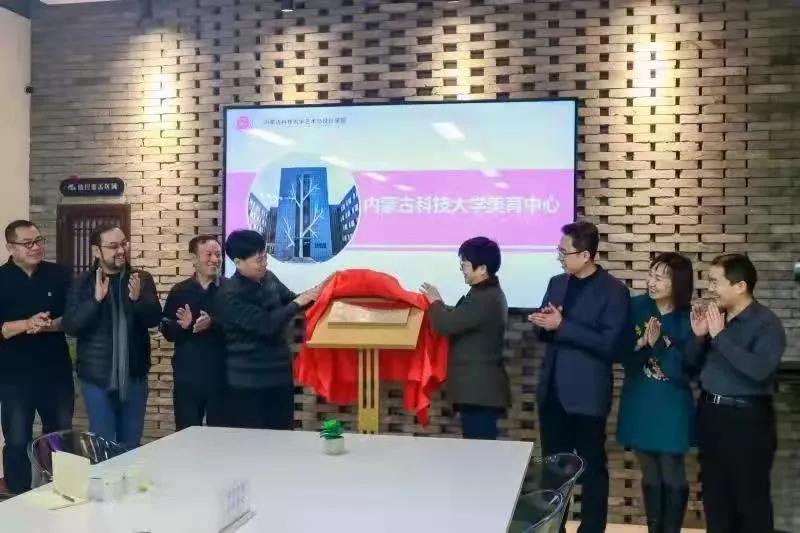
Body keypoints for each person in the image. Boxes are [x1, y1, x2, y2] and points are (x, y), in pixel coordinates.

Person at [527, 221, 629, 533]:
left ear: (585, 255)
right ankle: (553, 527)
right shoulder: (557, 282)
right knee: (553, 469)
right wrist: (542, 324)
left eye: (564, 252)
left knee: (592, 468)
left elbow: (611, 346)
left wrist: (563, 326)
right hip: (552, 392)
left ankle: (592, 528)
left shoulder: (614, 291)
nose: (559, 257)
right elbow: (546, 331)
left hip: (587, 395)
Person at [688, 254, 785, 533]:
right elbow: (690, 368)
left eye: (715, 282)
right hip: (711, 417)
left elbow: (759, 371)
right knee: (715, 501)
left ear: (740, 286)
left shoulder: (767, 324)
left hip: (747, 423)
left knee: (750, 502)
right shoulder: (717, 319)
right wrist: (699, 336)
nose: (710, 289)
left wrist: (720, 337)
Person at [617, 253, 697, 533]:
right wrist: (640, 344)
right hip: (639, 400)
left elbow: (686, 371)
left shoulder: (690, 318)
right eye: (650, 275)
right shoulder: (636, 307)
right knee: (649, 472)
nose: (651, 282)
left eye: (660, 278)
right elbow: (622, 355)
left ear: (678, 283)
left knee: (672, 472)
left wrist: (659, 344)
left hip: (672, 404)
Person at [63, 225, 161, 450]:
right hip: (97, 377)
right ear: (96, 251)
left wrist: (137, 301)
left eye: (124, 244)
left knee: (131, 445)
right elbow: (71, 326)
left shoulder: (141, 279)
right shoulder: (82, 283)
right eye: (113, 246)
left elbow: (154, 319)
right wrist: (95, 300)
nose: (121, 250)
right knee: (102, 444)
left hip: (134, 376)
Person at [213, 230, 323, 430]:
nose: (264, 263)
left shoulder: (269, 278)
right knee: (256, 441)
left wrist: (318, 292)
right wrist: (299, 302)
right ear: (238, 262)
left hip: (279, 376)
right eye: (259, 260)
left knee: (283, 434)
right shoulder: (229, 294)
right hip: (249, 382)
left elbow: (291, 300)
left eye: (265, 257)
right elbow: (267, 325)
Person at [0, 220, 74, 493]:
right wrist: (26, 324)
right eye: (27, 243)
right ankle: (17, 495)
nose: (36, 247)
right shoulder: (2, 278)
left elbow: (73, 318)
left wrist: (49, 325)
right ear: (11, 247)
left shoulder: (59, 274)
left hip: (56, 372)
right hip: (14, 376)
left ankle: (62, 492)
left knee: (59, 436)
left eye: (39, 240)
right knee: (17, 440)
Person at [421, 236, 509, 440]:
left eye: (465, 264)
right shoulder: (482, 293)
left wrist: (435, 302)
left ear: (482, 268)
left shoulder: (486, 298)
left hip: (479, 392)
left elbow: (446, 324)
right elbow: (457, 320)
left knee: (480, 451)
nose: (462, 269)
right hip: (476, 392)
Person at [161, 235, 225, 431]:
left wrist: (212, 323)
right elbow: (167, 331)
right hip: (188, 376)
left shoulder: (230, 289)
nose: (215, 259)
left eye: (218, 254)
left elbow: (240, 327)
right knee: (186, 433)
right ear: (194, 259)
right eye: (209, 254)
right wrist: (182, 326)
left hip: (223, 376)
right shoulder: (179, 291)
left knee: (222, 435)